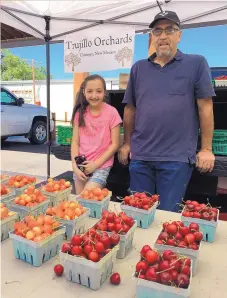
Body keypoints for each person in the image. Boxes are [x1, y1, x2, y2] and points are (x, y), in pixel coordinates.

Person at [118, 11, 215, 212]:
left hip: (176, 159)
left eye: (169, 30)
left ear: (179, 35)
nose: (163, 36)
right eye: (157, 30)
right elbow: (130, 109)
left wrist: (206, 149)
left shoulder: (196, 64)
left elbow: (205, 107)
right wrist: (127, 143)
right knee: (137, 215)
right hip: (141, 156)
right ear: (152, 36)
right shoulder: (138, 68)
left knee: (167, 217)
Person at [71, 74, 122, 194]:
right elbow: (75, 142)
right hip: (81, 166)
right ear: (84, 92)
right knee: (79, 205)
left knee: (86, 197)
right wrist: (74, 165)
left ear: (104, 92)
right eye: (90, 91)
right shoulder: (80, 113)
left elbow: (115, 145)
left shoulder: (112, 112)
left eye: (98, 91)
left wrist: (95, 165)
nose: (94, 96)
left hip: (101, 166)